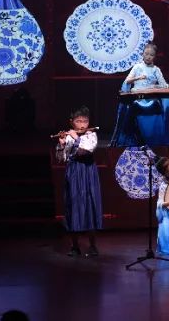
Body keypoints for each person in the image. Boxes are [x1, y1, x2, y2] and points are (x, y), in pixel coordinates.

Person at [55, 107, 102, 256]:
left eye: (85, 121)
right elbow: (61, 159)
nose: (82, 124)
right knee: (73, 205)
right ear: (72, 122)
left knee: (90, 205)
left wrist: (76, 138)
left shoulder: (91, 135)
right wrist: (62, 144)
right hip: (73, 172)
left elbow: (86, 150)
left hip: (88, 172)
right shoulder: (69, 136)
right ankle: (75, 246)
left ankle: (93, 246)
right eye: (78, 121)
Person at [119, 42, 169, 146]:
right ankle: (135, 139)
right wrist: (138, 78)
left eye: (151, 55)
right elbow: (127, 81)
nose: (148, 57)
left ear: (154, 56)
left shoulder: (156, 70)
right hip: (138, 98)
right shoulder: (137, 67)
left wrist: (164, 87)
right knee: (134, 107)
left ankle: (155, 140)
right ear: (142, 54)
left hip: (151, 99)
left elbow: (163, 84)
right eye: (146, 54)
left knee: (157, 106)